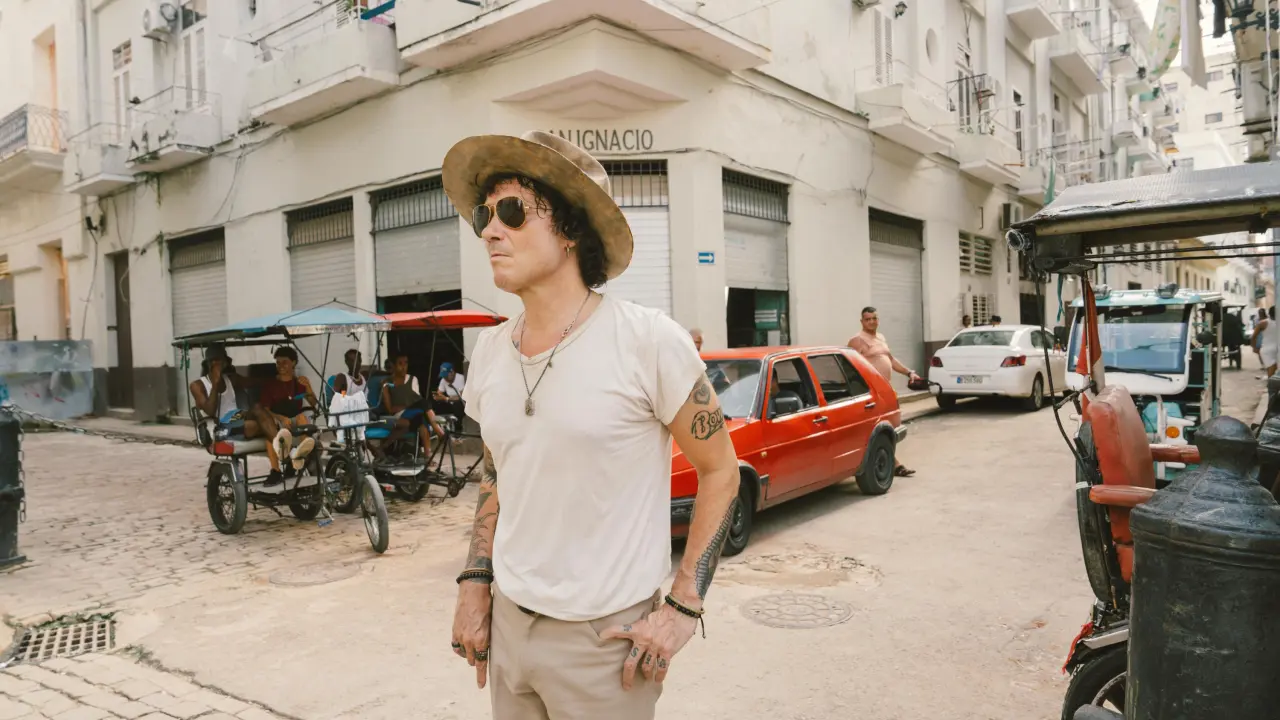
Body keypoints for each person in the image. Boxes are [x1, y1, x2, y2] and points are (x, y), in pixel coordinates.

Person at [443, 130, 740, 719]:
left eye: (512, 212)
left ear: (571, 230)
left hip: (604, 644)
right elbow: (497, 471)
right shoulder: (491, 352)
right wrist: (475, 582)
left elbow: (721, 470)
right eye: (484, 214)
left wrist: (684, 605)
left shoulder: (648, 341)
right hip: (510, 628)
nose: (489, 231)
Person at [848, 306, 920, 477]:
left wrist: (909, 372)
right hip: (870, 394)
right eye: (868, 319)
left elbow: (890, 360)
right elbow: (850, 367)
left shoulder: (881, 338)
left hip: (885, 391)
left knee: (887, 426)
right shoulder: (857, 340)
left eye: (874, 318)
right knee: (877, 428)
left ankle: (889, 462)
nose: (871, 322)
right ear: (862, 321)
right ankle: (893, 465)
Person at [253, 346, 319, 486]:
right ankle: (275, 471)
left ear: (293, 363)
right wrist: (280, 418)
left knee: (301, 418)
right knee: (269, 436)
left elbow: (314, 403)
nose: (280, 366)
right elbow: (265, 410)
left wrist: (308, 388)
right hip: (278, 421)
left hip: (296, 419)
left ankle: (301, 455)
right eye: (278, 363)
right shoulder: (271, 384)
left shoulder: (300, 382)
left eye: (284, 362)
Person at [377, 352, 446, 461]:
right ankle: (439, 432)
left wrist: (407, 406)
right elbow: (391, 409)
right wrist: (406, 407)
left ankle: (427, 455)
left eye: (406, 363)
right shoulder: (386, 383)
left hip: (415, 413)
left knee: (422, 418)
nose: (403, 366)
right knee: (423, 404)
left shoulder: (413, 379)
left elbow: (416, 401)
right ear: (394, 365)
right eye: (400, 363)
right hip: (399, 415)